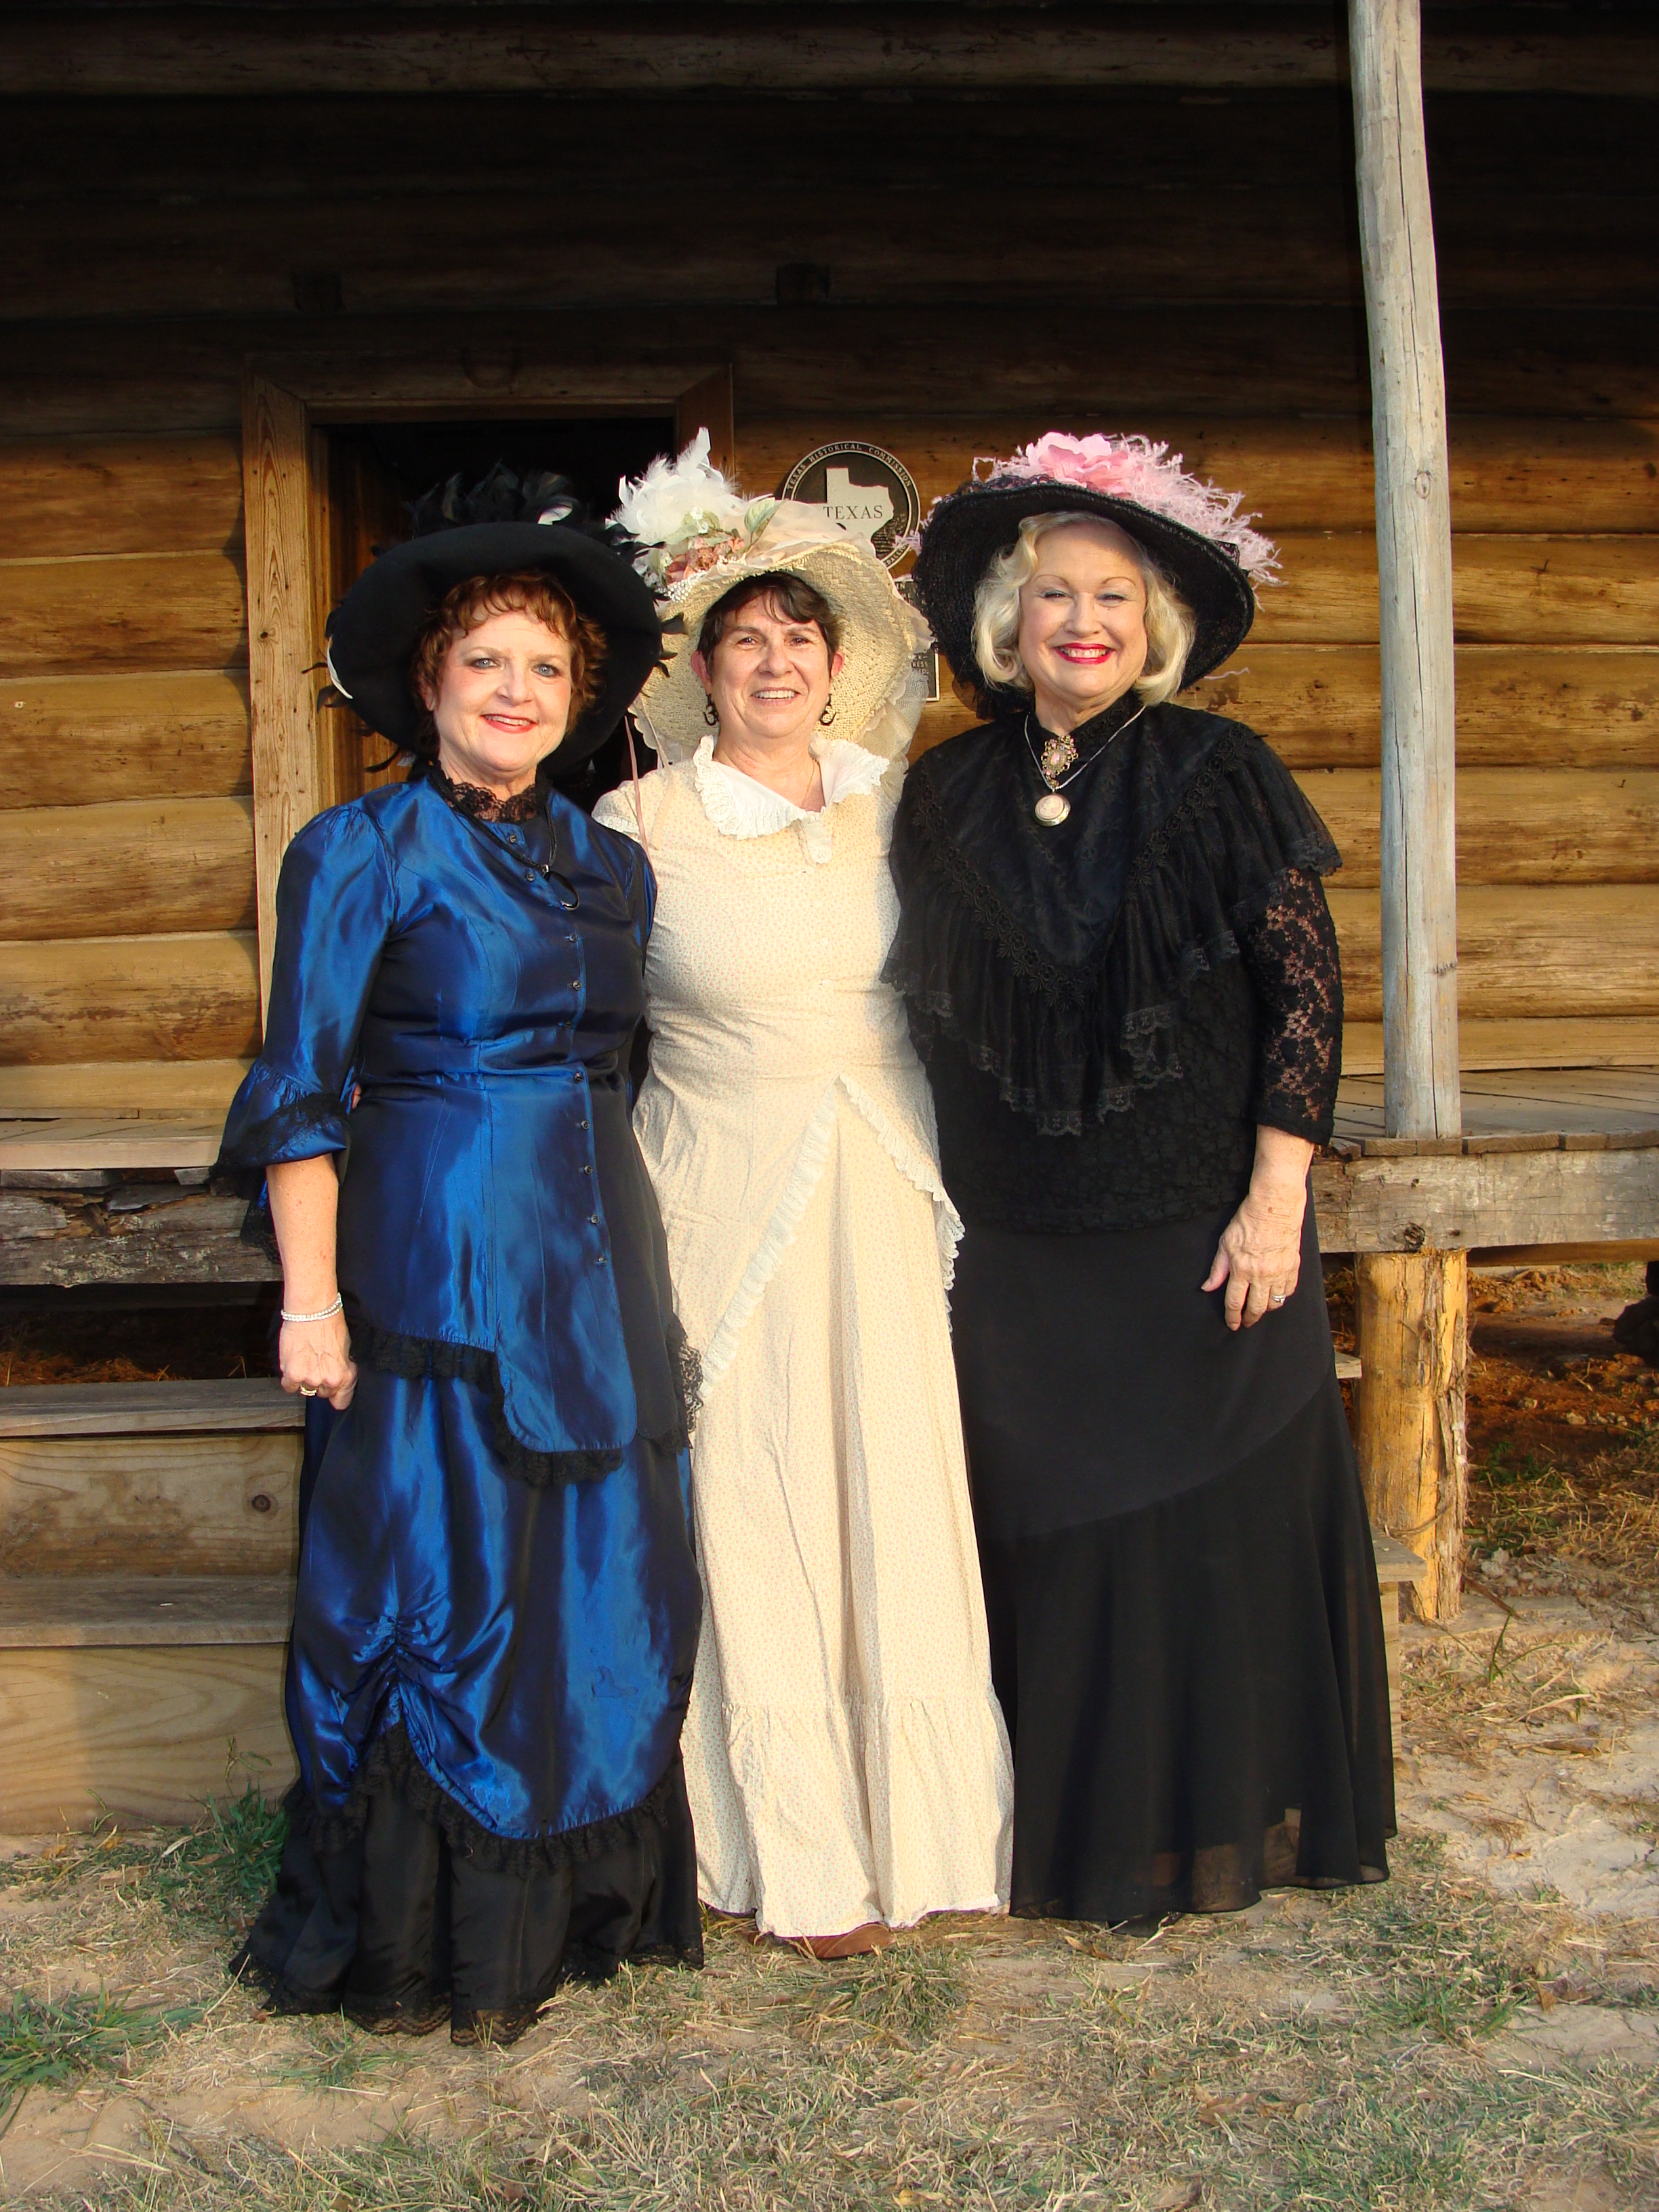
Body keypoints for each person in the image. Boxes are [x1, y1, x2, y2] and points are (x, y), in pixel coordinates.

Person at [216, 468, 702, 2042]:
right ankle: (427, 1930)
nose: (515, 691)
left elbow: (621, 1071)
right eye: (485, 661)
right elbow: (299, 1087)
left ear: (579, 699)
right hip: (430, 1257)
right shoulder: (359, 850)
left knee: (597, 1575)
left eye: (544, 669)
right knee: (436, 1579)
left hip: (596, 1251)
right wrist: (310, 1302)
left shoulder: (609, 861)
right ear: (430, 684)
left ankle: (572, 1908)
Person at [890, 432, 1394, 1924]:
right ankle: (1070, 1827)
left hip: (1198, 1235)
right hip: (1019, 1247)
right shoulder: (942, 793)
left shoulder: (1221, 771)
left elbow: (1307, 991)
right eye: (1053, 594)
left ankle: (1211, 1825)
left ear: (1155, 626)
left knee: (1203, 1536)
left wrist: (1277, 1198)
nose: (1083, 620)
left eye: (1113, 594)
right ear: (1007, 623)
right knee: (1047, 1531)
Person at [590, 436, 1012, 1957]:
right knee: (754, 1491)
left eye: (798, 638)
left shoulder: (909, 807)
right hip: (714, 1180)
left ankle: (930, 1826)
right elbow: (569, 1019)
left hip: (889, 1173)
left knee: (892, 1474)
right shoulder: (637, 833)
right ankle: (785, 1847)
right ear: (700, 671)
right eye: (743, 640)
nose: (773, 661)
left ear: (837, 663)